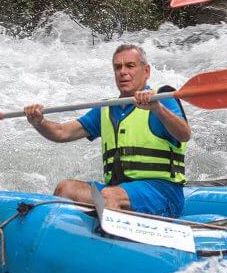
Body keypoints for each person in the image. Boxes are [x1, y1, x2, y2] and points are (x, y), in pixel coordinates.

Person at [23, 44, 191, 217]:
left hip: (162, 193)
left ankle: (115, 240)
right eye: (118, 67)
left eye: (130, 66)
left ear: (146, 71)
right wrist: (39, 122)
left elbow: (184, 134)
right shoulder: (107, 109)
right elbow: (61, 132)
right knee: (65, 188)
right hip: (118, 190)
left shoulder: (162, 99)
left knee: (110, 195)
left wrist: (157, 109)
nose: (123, 72)